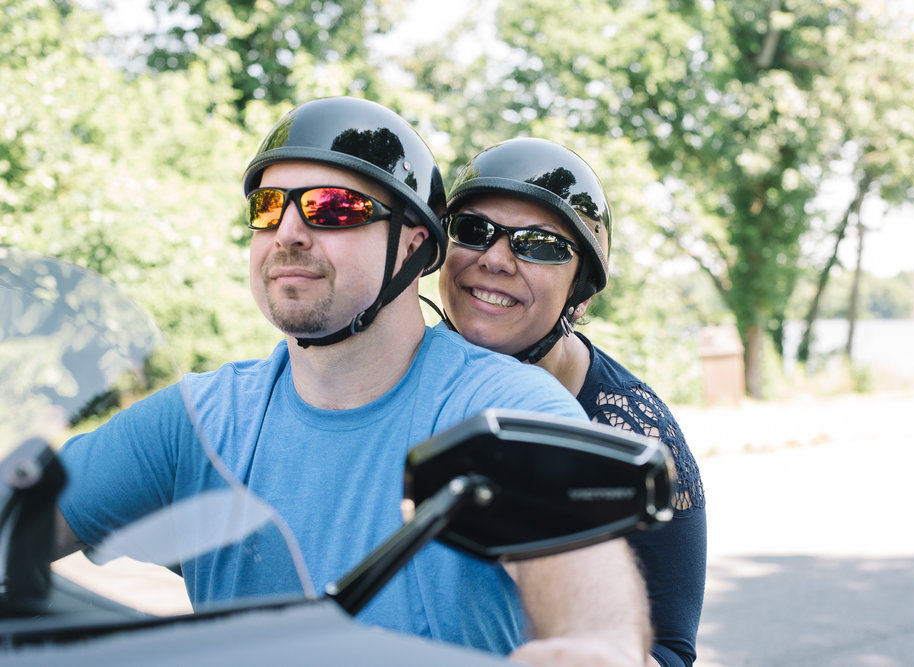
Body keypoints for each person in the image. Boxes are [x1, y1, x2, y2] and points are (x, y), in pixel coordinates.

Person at [52, 97, 652, 666]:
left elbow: (579, 571)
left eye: (332, 207)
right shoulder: (198, 421)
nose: (287, 231)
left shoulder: (500, 408)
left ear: (414, 245)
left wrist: (598, 644)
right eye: (267, 207)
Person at [436, 137, 707, 667]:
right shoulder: (396, 375)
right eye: (473, 231)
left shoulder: (633, 429)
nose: (494, 259)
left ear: (580, 292)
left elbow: (670, 649)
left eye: (538, 244)